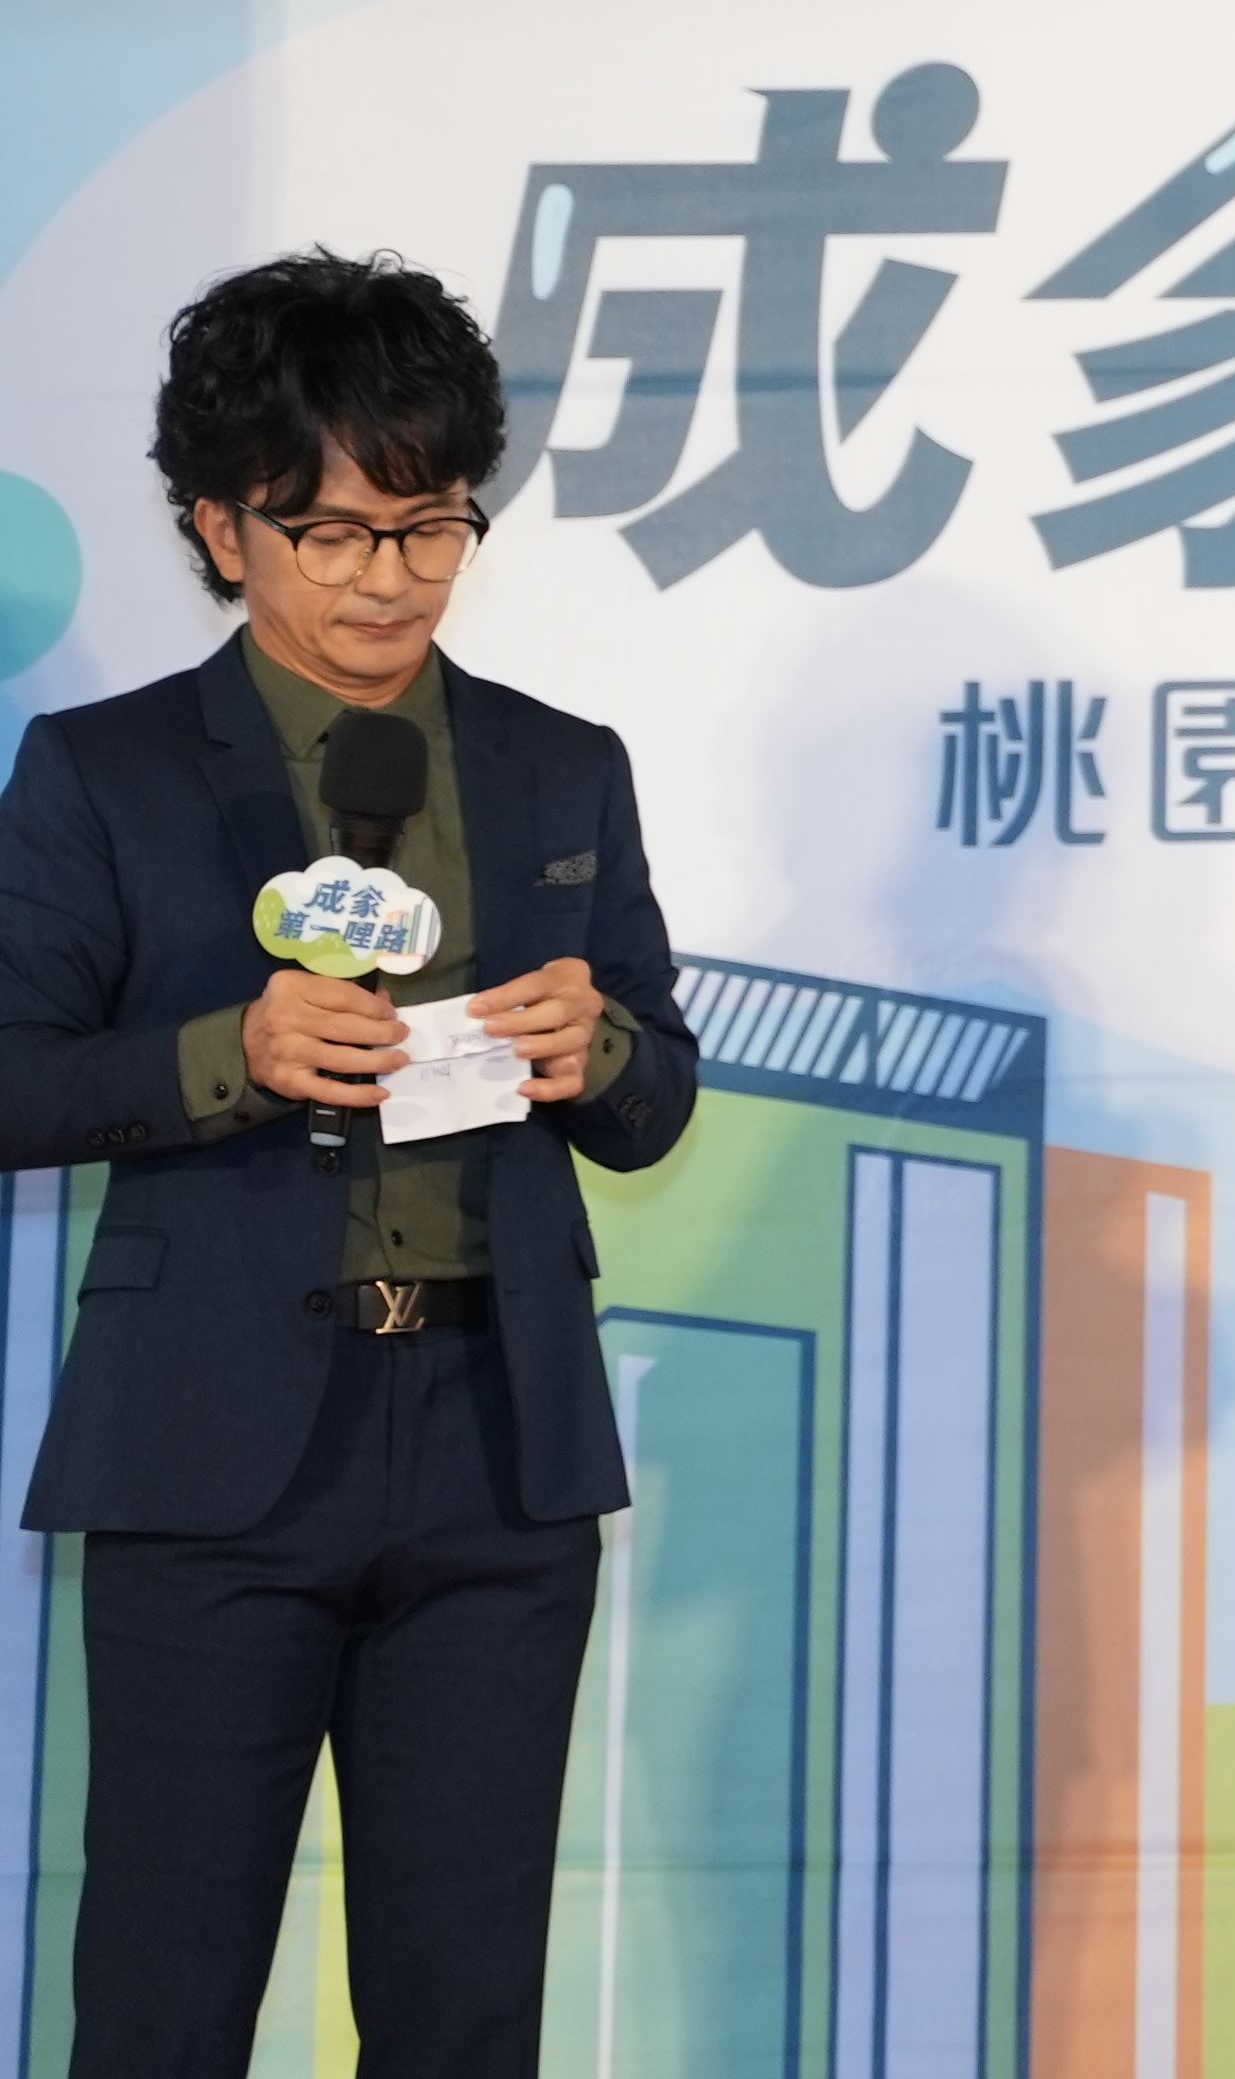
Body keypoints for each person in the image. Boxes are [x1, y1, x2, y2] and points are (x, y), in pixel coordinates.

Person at [0, 249, 695, 2075]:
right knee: (164, 1996)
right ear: (218, 528)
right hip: (212, 1452)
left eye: (431, 524)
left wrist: (600, 1050)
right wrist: (225, 1054)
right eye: (331, 533)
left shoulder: (563, 768)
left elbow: (654, 1102)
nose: (389, 578)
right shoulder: (106, 773)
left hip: (497, 1454)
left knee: (466, 2008)